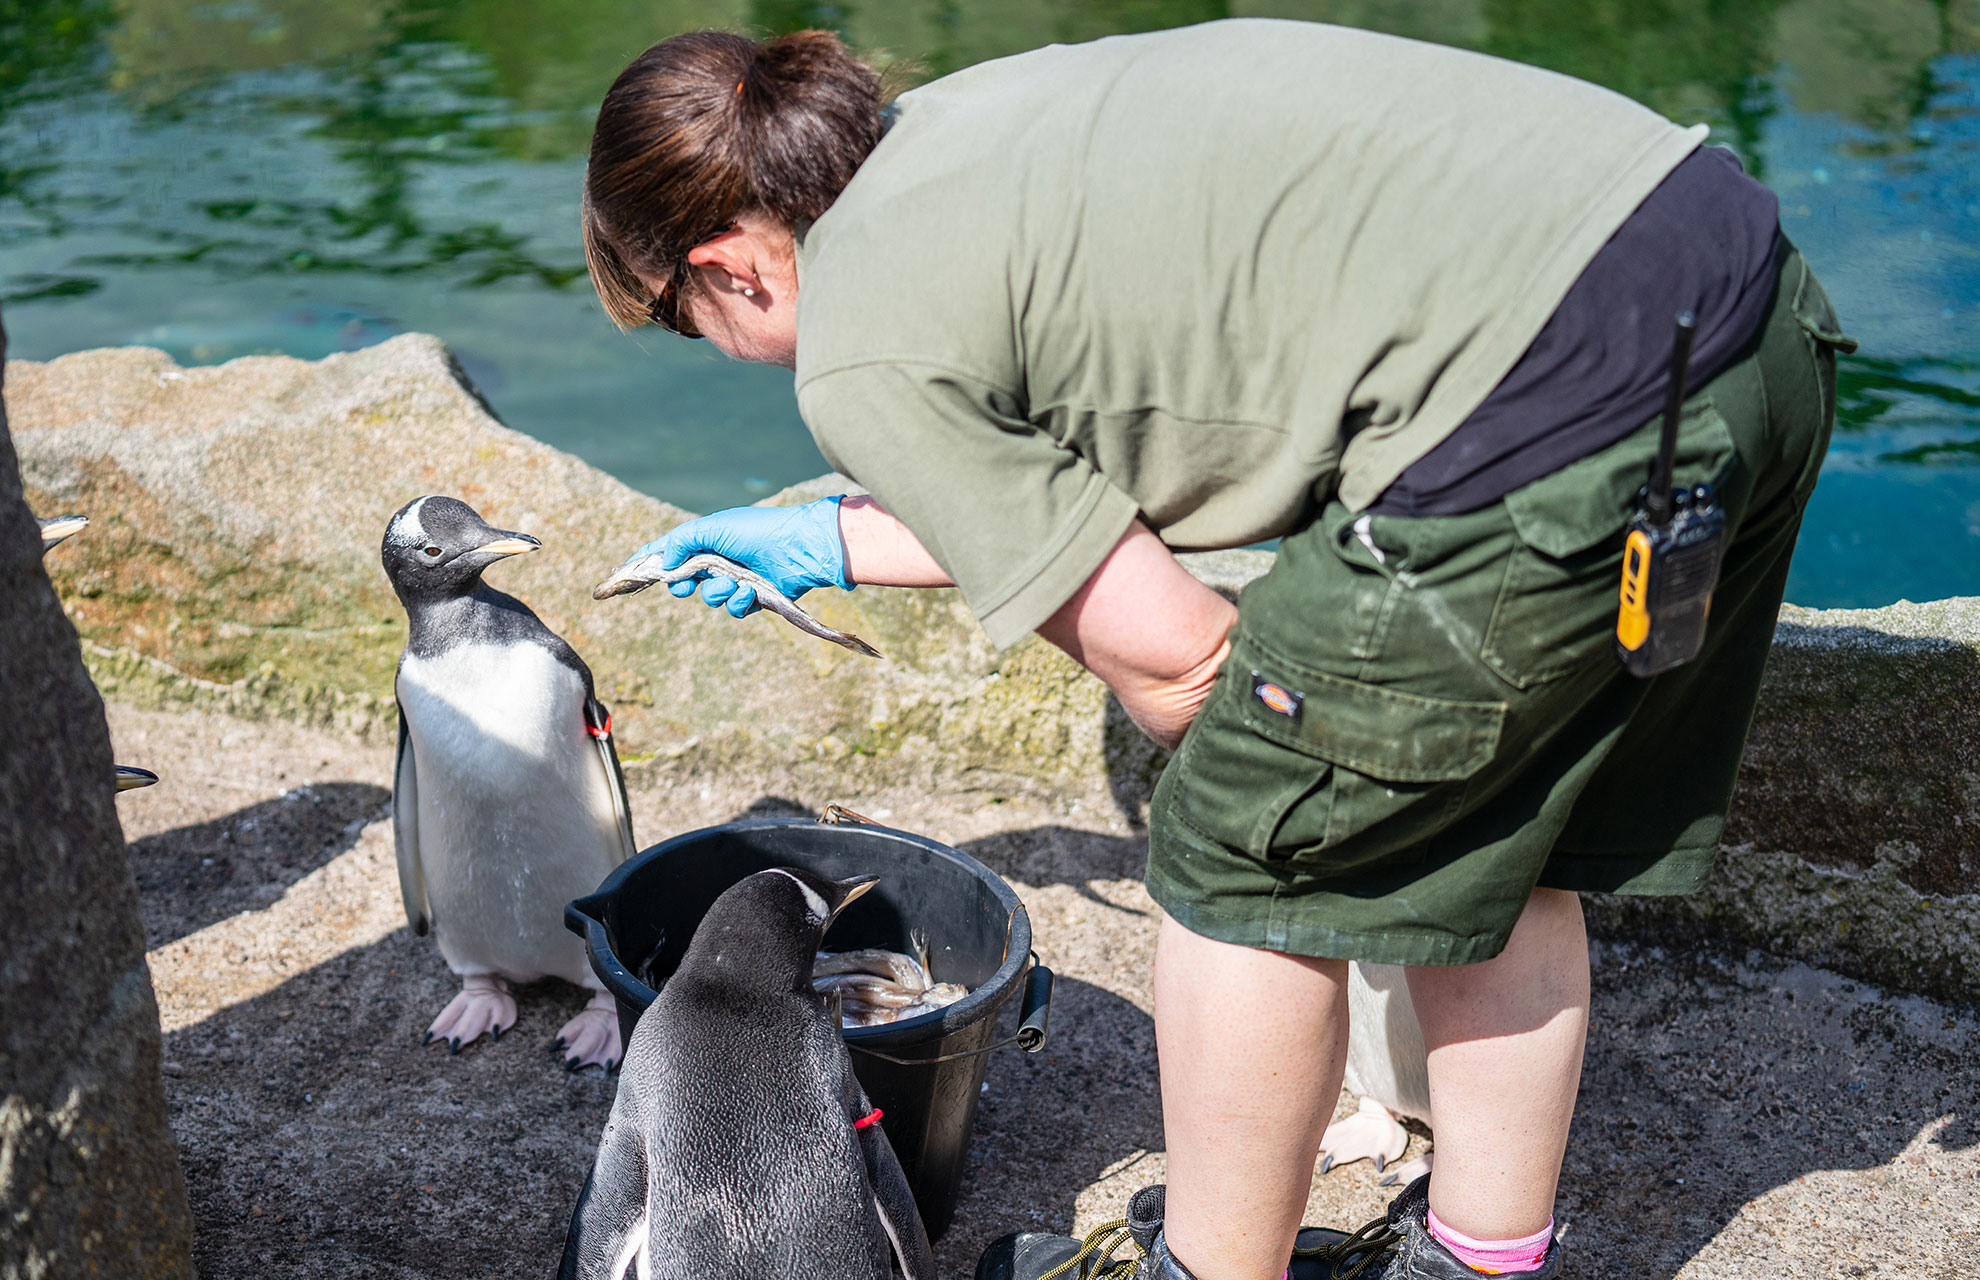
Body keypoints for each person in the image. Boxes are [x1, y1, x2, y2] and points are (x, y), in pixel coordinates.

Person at [581, 20, 1853, 1280]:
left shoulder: (859, 340)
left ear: (732, 264)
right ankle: (1475, 1263)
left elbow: (1185, 654)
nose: (725, 347)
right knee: (1504, 826)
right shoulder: (956, 125)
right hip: (1739, 306)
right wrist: (838, 538)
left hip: (1546, 416)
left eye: (686, 318)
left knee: (1238, 844)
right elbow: (1084, 447)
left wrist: (1289, 765)